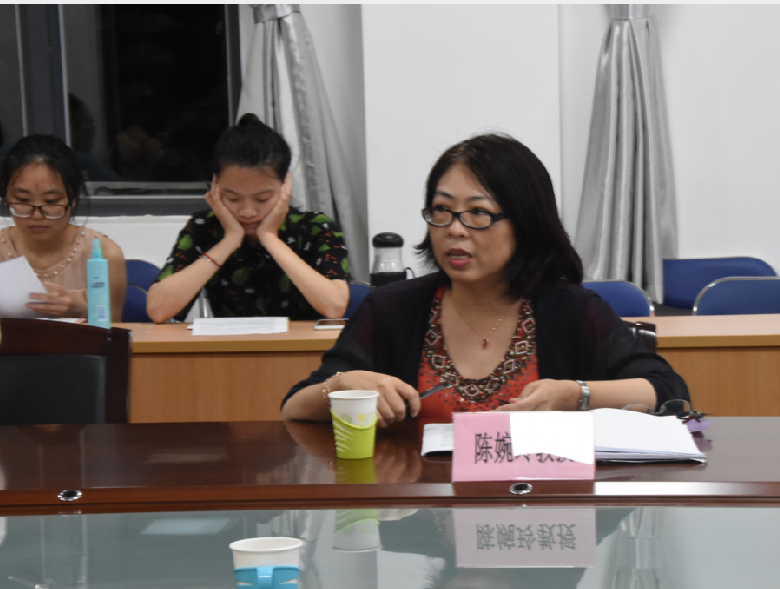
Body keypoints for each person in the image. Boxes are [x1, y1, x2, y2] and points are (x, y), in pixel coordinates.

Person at [282, 133, 689, 424]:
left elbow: (670, 391)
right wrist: (341, 385)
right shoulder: (392, 309)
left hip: (540, 506)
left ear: (525, 223)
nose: (455, 229)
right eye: (442, 210)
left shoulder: (572, 310)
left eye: (478, 213)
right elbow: (293, 407)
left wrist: (577, 395)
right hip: (423, 509)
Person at [147, 114, 350, 323]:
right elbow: (158, 310)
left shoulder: (315, 228)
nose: (247, 212)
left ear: (285, 187)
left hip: (304, 345)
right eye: (233, 198)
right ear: (215, 187)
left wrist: (270, 238)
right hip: (231, 344)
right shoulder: (204, 228)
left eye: (262, 199)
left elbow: (334, 306)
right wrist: (230, 240)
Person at [0, 134, 126, 320]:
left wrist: (82, 310)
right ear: (6, 195)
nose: (36, 215)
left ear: (73, 198)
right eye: (23, 200)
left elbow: (114, 329)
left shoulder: (104, 254)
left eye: (51, 202)